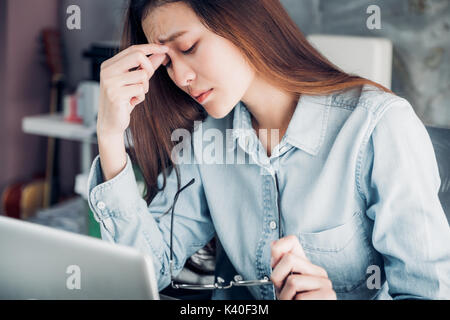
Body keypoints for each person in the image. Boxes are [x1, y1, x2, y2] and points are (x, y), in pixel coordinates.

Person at [87, 0, 450, 300]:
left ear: (243, 19)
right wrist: (110, 134)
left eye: (188, 48)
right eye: (167, 64)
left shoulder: (378, 126)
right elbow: (147, 268)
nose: (180, 77)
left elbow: (428, 293)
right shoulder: (206, 140)